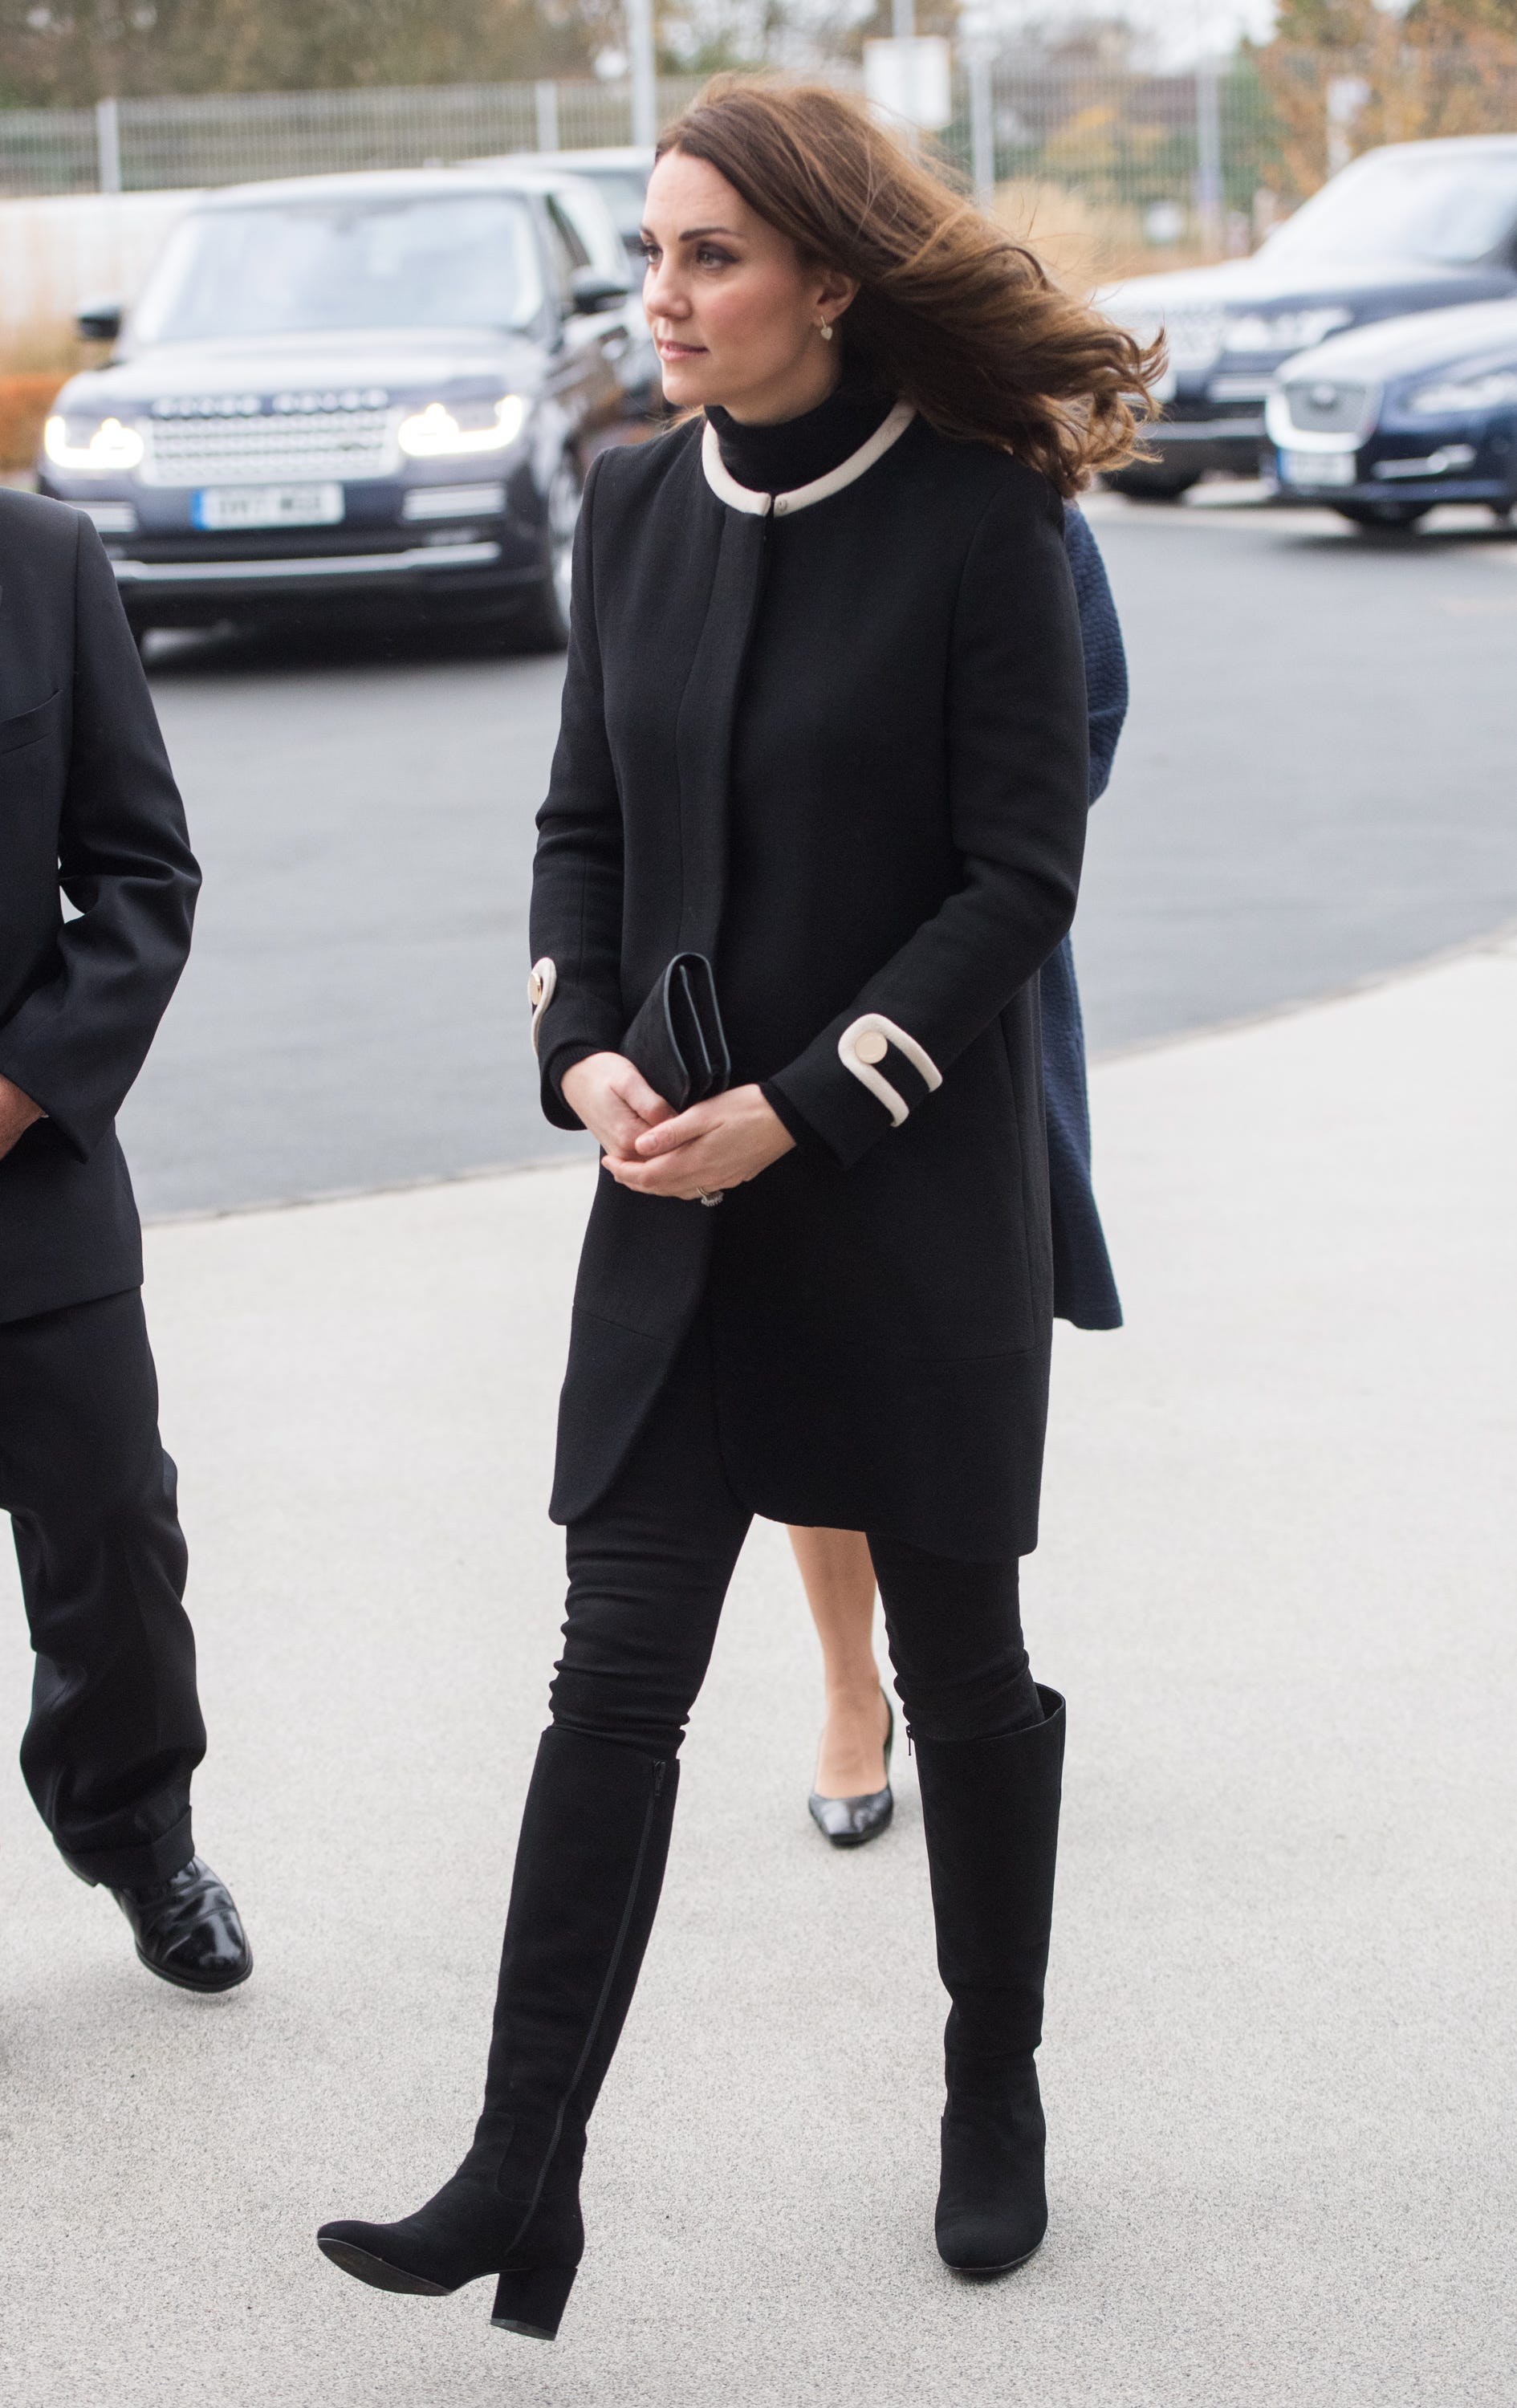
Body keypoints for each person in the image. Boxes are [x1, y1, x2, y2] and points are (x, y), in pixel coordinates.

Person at [319, 76, 1158, 2336]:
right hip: (675, 1200)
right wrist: (573, 1043)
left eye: (708, 256)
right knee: (611, 1674)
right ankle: (519, 2166)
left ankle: (996, 2086)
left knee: (964, 1676)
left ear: (827, 283)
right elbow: (580, 825)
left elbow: (1018, 882)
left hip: (900, 1197)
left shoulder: (981, 523)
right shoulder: (629, 502)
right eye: (653, 252)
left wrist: (815, 1100)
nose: (659, 295)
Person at [800, 502, 1129, 1845]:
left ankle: (964, 1672)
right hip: (777, 983)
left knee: (948, 1343)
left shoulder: (1012, 502)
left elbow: (1083, 723)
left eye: (710, 264)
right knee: (807, 1351)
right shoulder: (723, 483)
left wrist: (935, 850)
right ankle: (844, 1684)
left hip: (963, 975)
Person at [0, 486, 250, 1994]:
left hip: (29, 1179)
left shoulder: (43, 560)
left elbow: (141, 874)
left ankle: (146, 1844)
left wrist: (23, 1088)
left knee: (114, 1547)